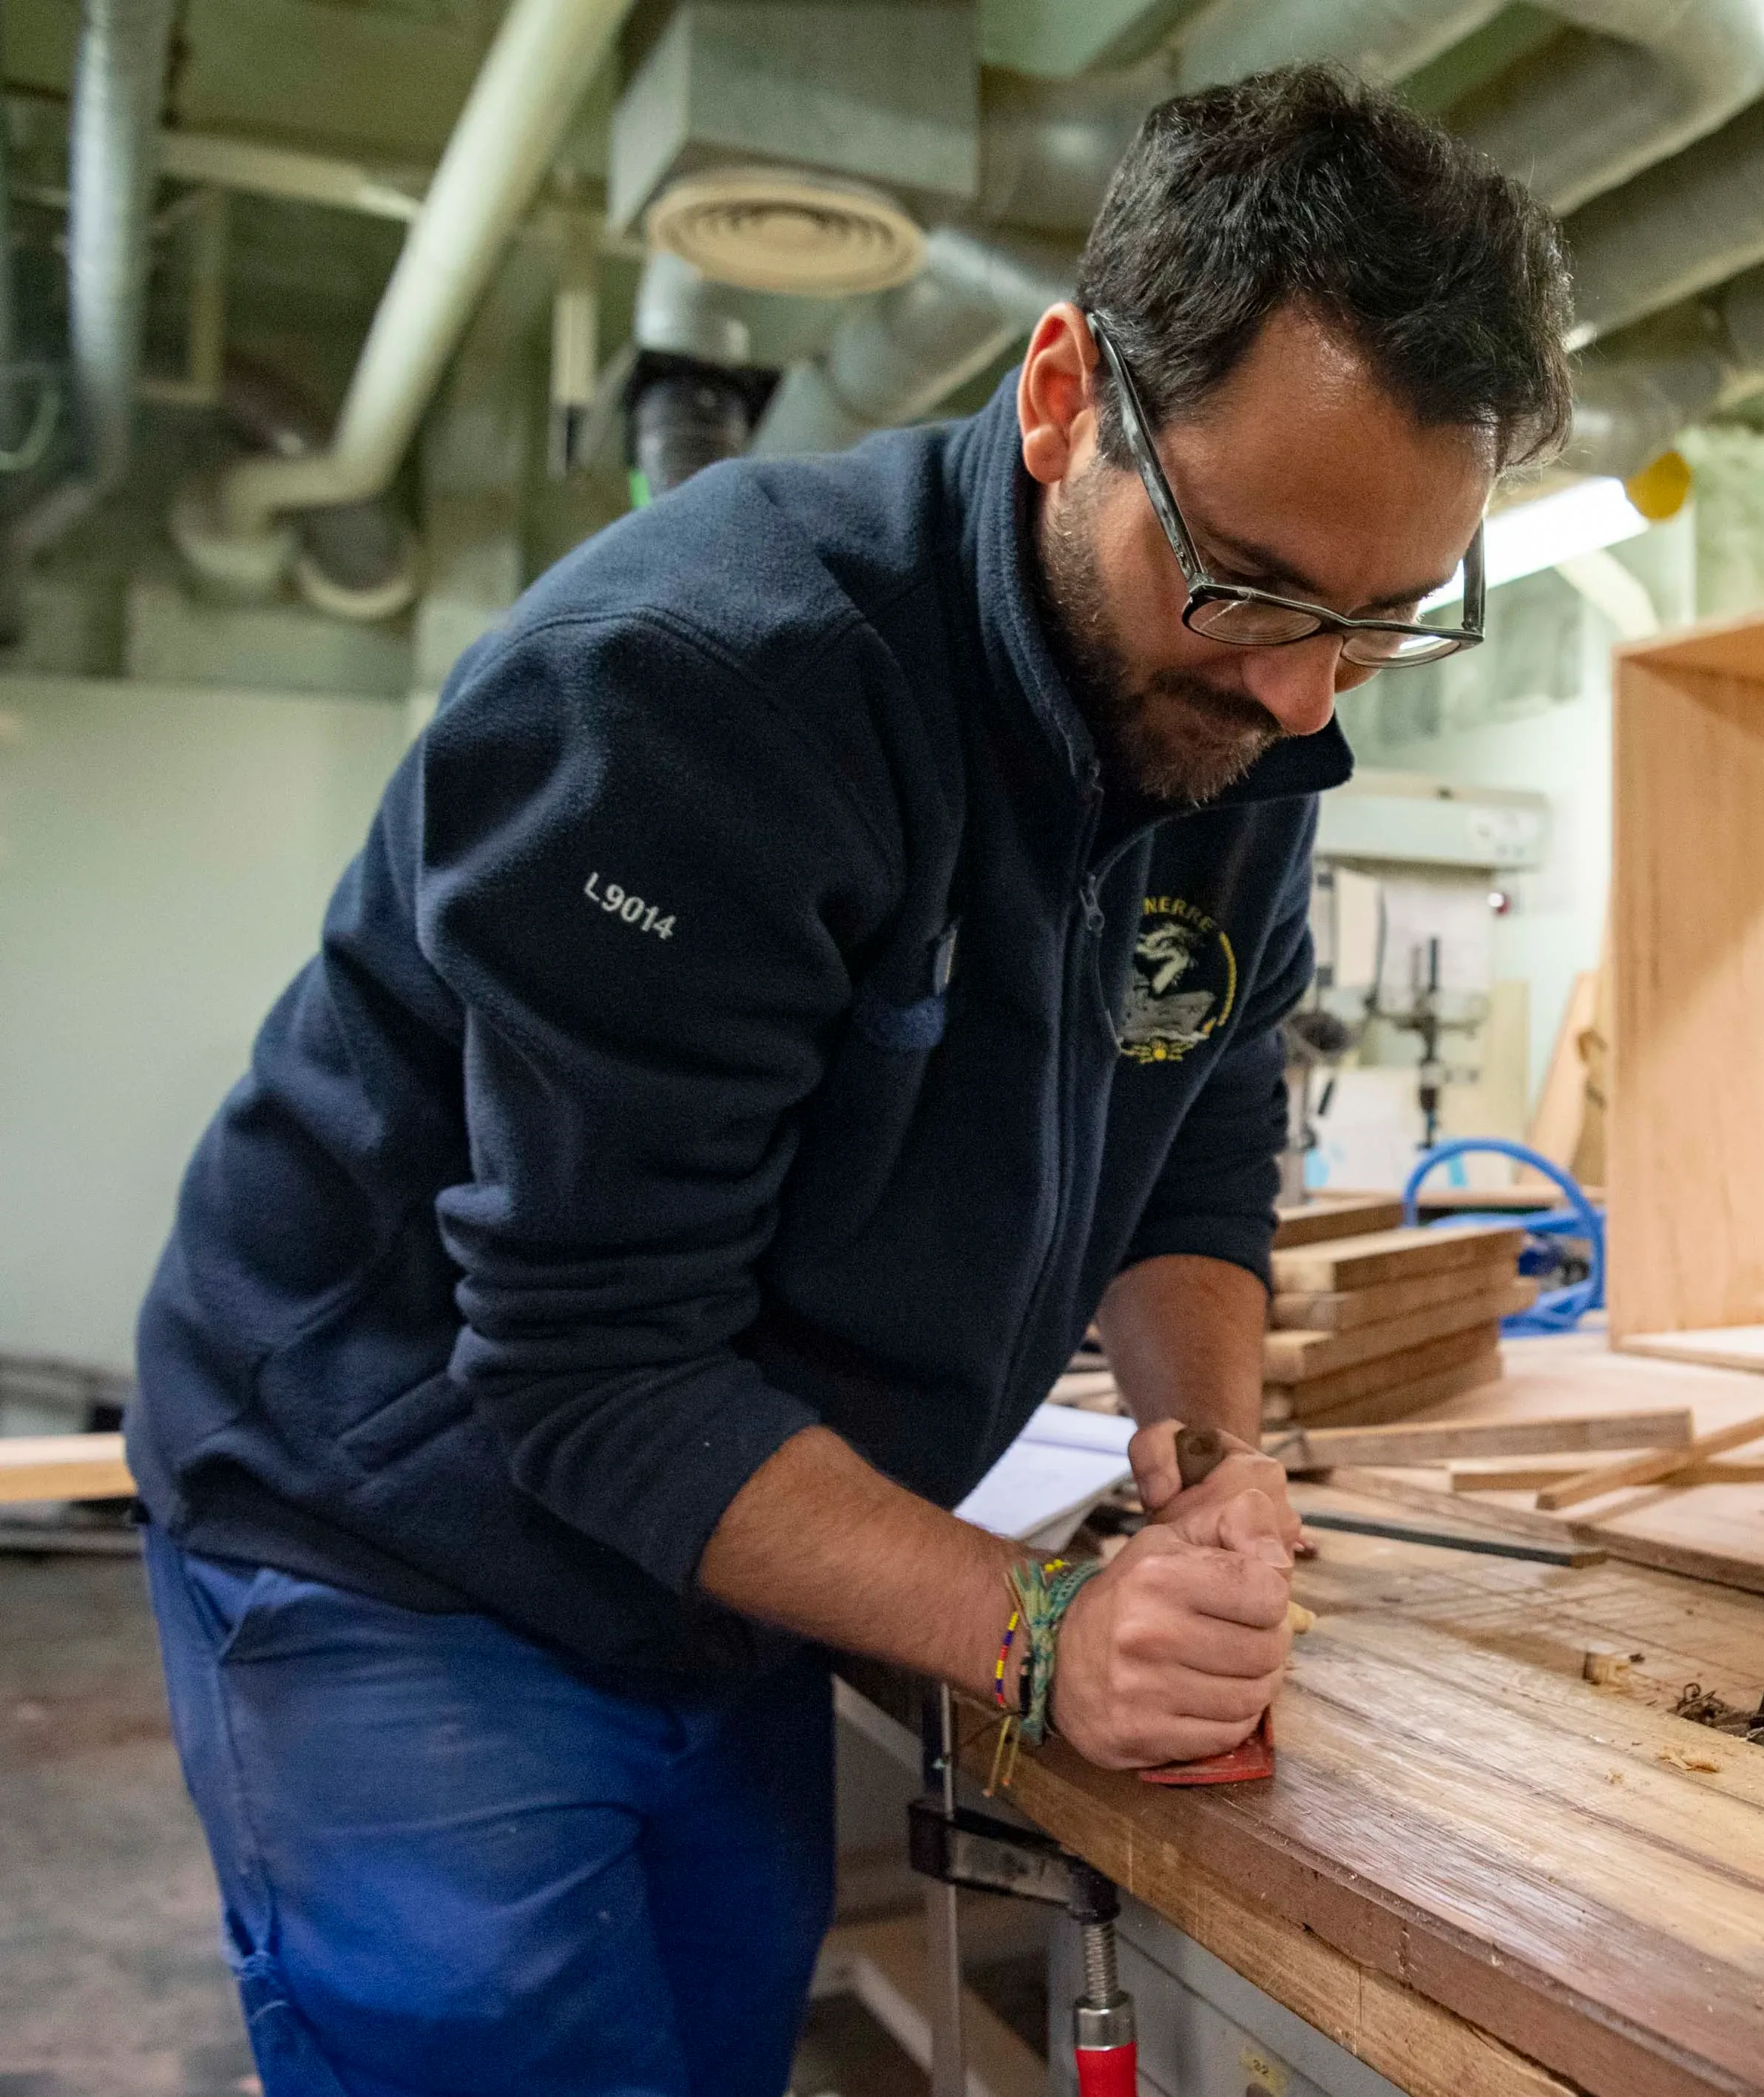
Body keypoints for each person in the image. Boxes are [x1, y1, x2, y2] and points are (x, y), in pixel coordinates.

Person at [124, 65, 1572, 2096]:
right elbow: (588, 1362)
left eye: (1380, 622)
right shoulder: (697, 693)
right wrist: (1039, 1634)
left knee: (712, 2045)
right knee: (503, 2053)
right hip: (399, 1531)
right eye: (1247, 582)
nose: (1300, 690)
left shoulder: (1244, 715)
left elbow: (1193, 1125)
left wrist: (1207, 1463)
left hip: (724, 1522)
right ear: (1064, 396)